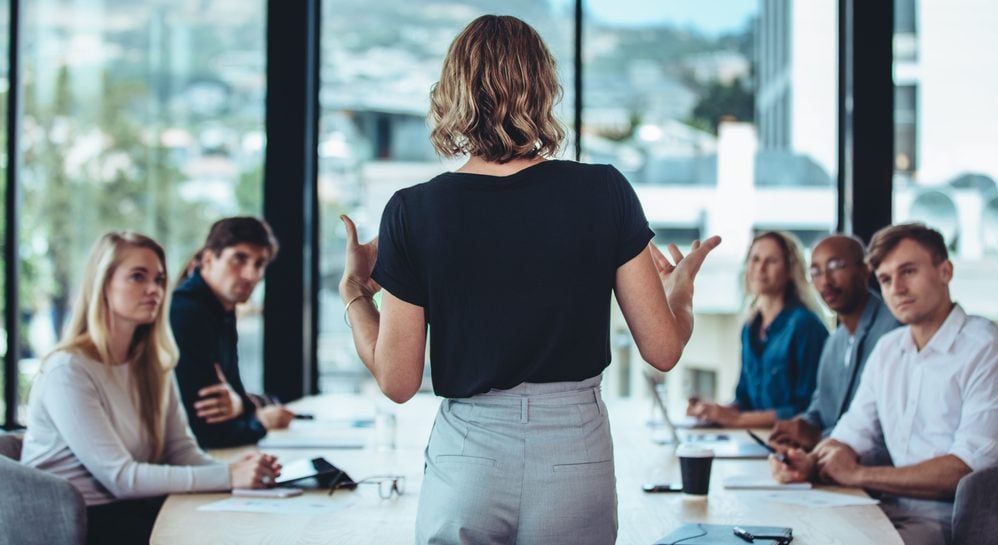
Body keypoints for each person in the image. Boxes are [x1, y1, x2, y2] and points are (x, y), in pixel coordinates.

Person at [339, 15, 719, 545]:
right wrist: (680, 292)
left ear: (452, 92)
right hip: (575, 452)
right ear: (542, 89)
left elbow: (397, 380)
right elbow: (662, 349)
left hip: (467, 457)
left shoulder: (413, 210)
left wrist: (356, 293)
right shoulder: (604, 191)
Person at [20, 232, 279, 545]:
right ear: (103, 284)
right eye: (137, 277)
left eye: (159, 279)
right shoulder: (68, 370)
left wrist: (242, 472)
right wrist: (227, 476)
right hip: (82, 526)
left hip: (134, 510)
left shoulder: (153, 365)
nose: (154, 289)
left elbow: (181, 451)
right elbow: (121, 478)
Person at [770, 223, 998, 545]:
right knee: (786, 531)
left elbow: (965, 470)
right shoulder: (889, 349)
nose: (897, 289)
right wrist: (810, 462)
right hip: (882, 508)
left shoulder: (985, 347)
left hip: (949, 523)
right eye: (886, 279)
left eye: (908, 272)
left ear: (945, 271)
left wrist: (859, 475)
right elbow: (851, 433)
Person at [172, 217, 295, 449]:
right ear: (208, 259)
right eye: (239, 259)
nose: (251, 275)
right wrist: (260, 421)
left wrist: (241, 405)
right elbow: (208, 429)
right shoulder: (187, 312)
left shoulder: (221, 310)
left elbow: (234, 395)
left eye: (259, 264)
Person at [768, 234, 900, 451]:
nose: (825, 281)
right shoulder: (834, 342)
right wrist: (800, 427)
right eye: (816, 272)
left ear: (866, 269)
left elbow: (881, 426)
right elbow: (818, 410)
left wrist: (818, 437)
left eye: (836, 266)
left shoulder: (893, 330)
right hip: (828, 461)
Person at [687, 231, 828, 428]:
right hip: (753, 438)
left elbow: (808, 409)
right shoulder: (750, 328)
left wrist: (737, 420)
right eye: (755, 259)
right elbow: (743, 400)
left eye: (771, 261)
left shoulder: (806, 325)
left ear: (790, 270)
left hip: (790, 444)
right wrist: (714, 411)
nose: (760, 268)